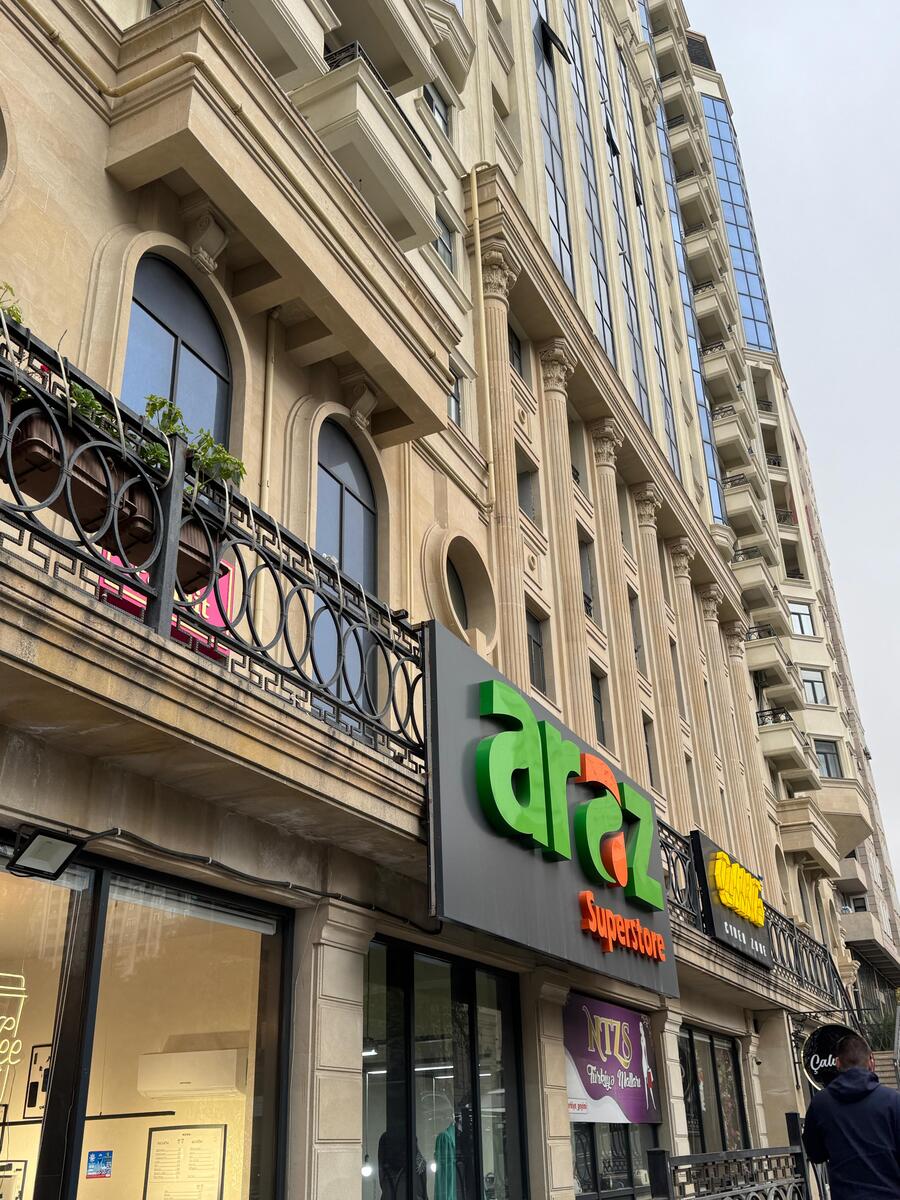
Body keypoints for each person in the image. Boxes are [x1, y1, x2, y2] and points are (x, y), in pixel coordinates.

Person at [802, 1032, 900, 1200]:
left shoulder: (821, 1103)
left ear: (837, 1063)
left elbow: (815, 1153)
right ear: (871, 1062)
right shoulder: (893, 1101)